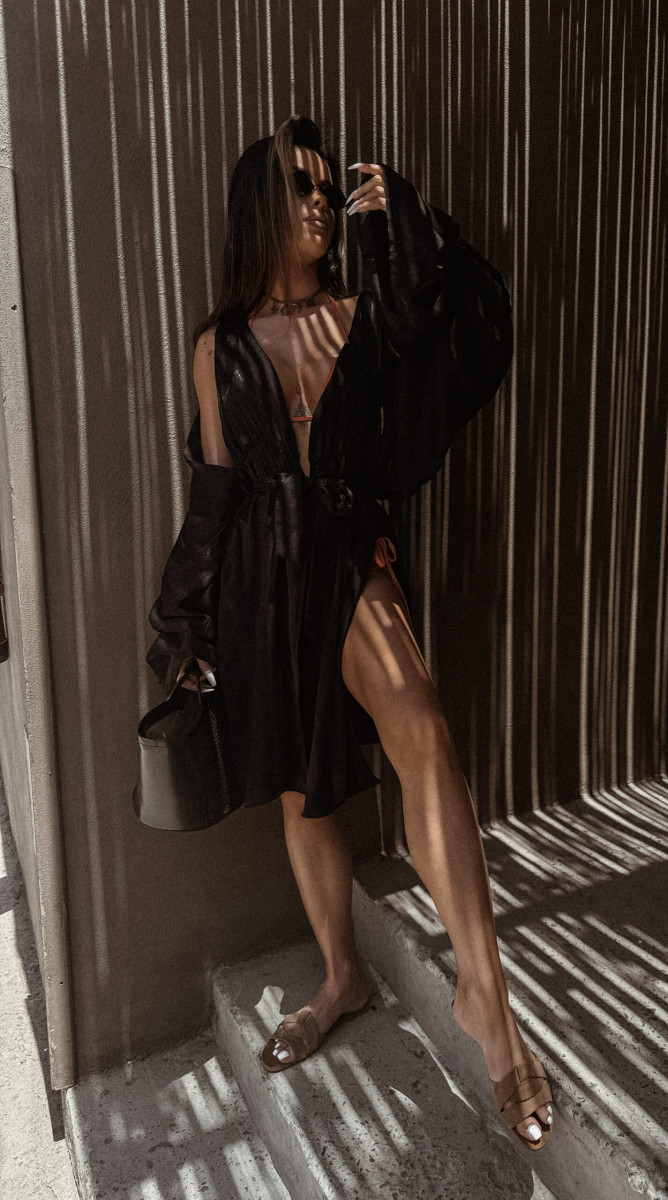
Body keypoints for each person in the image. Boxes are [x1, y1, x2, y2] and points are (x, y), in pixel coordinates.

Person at [144, 115, 554, 1151]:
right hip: (257, 586)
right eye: (301, 185)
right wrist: (184, 626)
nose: (321, 201)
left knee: (423, 727)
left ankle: (489, 1002)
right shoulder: (217, 347)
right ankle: (341, 978)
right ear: (259, 204)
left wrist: (406, 216)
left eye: (329, 186)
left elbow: (460, 321)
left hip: (349, 559)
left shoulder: (365, 315)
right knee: (302, 785)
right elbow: (215, 496)